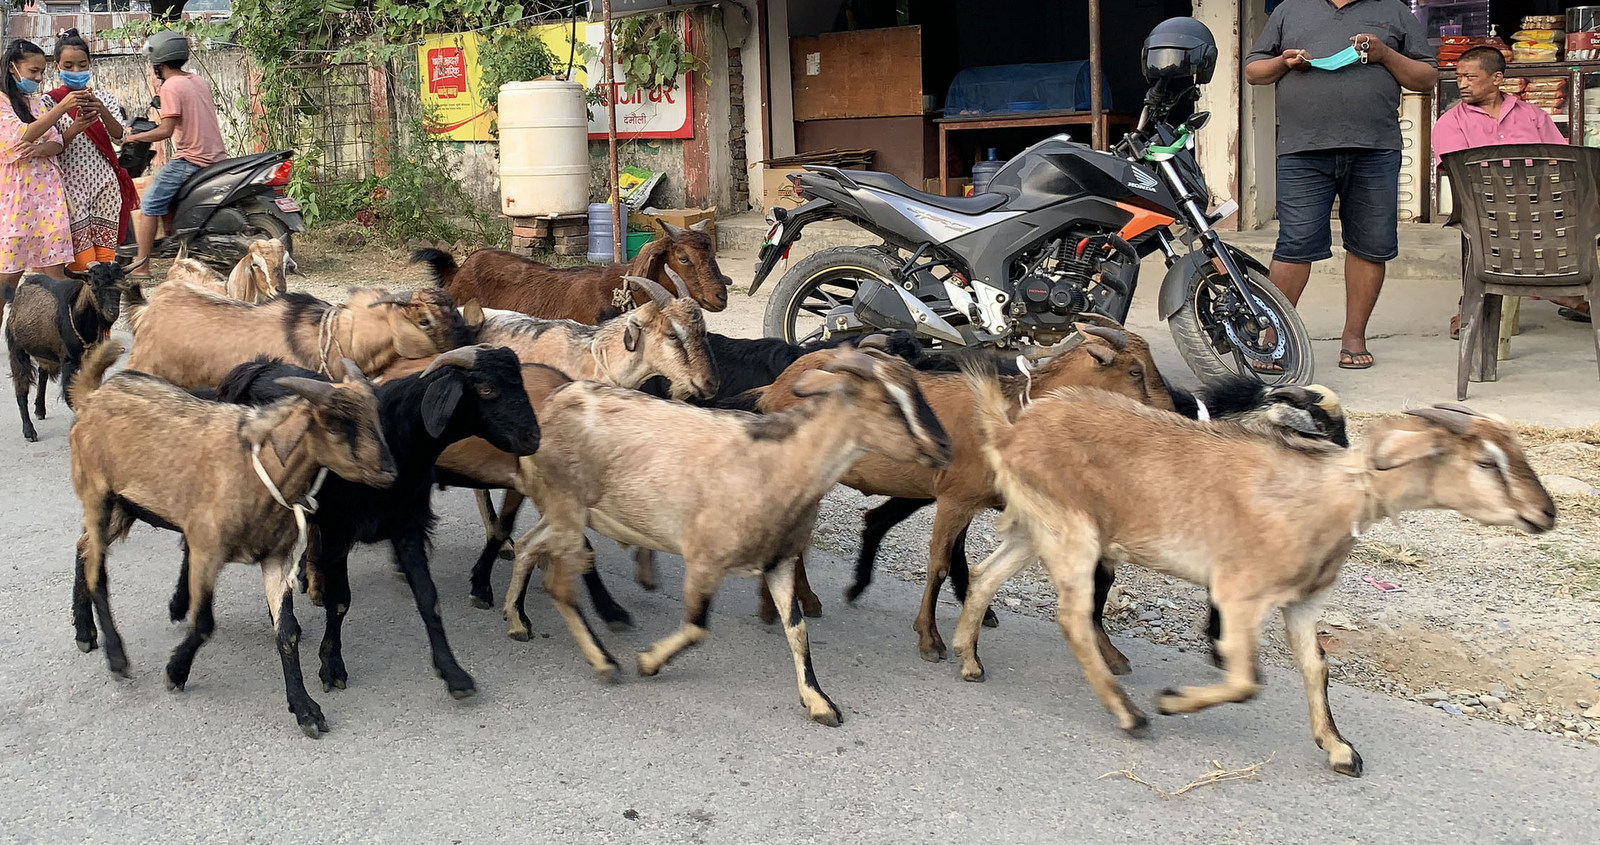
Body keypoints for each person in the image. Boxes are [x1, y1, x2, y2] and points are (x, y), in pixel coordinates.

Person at [1245, 0, 1438, 370]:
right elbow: (1255, 71)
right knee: (1295, 244)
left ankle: (1354, 336)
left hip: (1375, 149)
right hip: (1303, 151)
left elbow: (1426, 78)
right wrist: (1283, 62)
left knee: (1370, 244)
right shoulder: (1290, 9)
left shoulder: (1395, 10)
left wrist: (1384, 54)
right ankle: (1275, 337)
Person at [1433, 45, 1588, 332]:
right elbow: (1458, 174)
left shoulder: (1532, 115)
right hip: (1484, 206)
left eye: (1470, 77)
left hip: (1542, 201)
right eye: (1459, 77)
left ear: (1496, 78)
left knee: (1582, 214)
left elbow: (1560, 159)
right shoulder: (1450, 122)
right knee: (1489, 225)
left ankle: (1564, 288)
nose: (1462, 84)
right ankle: (1558, 295)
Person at [122, 30, 226, 282]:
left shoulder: (170, 86)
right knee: (165, 194)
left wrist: (133, 138)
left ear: (159, 60)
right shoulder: (197, 80)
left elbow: (166, 130)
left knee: (148, 205)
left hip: (192, 159)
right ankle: (175, 244)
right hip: (216, 156)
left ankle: (142, 266)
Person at [1, 38, 87, 326]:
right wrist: (60, 109)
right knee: (8, 277)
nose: (38, 79)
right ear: (13, 68)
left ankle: (62, 335)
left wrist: (42, 147)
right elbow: (18, 137)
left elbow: (56, 144)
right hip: (15, 200)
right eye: (33, 71)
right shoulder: (2, 103)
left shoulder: (37, 102)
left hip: (48, 198)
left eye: (41, 73)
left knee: (56, 274)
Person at [41, 29, 137, 274]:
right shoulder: (49, 102)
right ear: (57, 67)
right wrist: (74, 127)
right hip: (69, 189)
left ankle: (101, 308)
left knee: (105, 259)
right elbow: (48, 147)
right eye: (69, 65)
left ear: (90, 65)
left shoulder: (104, 97)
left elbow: (120, 137)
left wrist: (101, 110)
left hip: (105, 186)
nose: (76, 71)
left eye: (82, 65)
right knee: (82, 264)